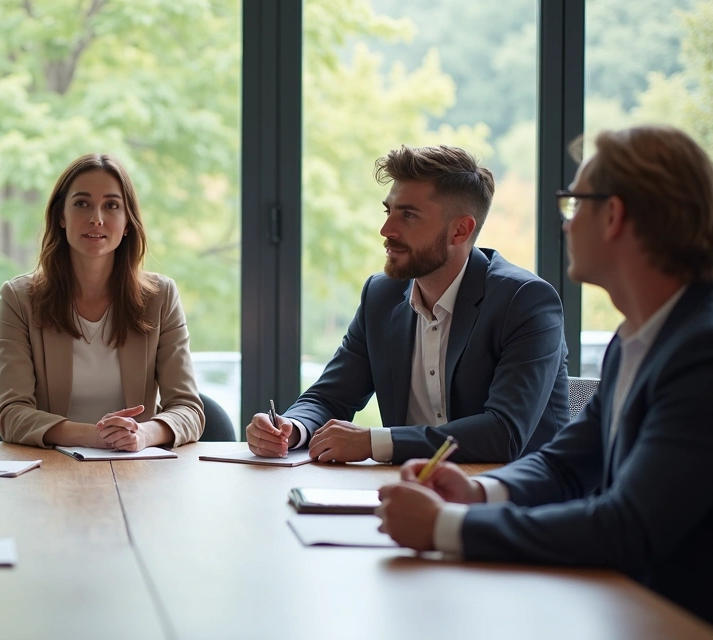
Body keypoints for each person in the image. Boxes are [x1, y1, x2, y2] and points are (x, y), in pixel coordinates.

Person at [376, 126, 713, 624]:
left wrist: (449, 527)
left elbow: (627, 525)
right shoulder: (633, 342)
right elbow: (564, 465)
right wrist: (477, 492)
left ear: (614, 215)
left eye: (574, 205)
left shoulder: (700, 352)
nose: (567, 225)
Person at [246, 144, 569, 464]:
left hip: (516, 499)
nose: (386, 230)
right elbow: (330, 396)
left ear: (460, 230)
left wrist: (375, 442)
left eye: (409, 215)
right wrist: (293, 427)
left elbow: (504, 433)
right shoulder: (381, 295)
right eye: (389, 211)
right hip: (410, 490)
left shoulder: (524, 300)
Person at [0, 153, 204, 449]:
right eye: (82, 203)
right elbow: (12, 414)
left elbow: (188, 409)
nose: (96, 218)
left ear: (128, 222)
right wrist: (96, 436)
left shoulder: (161, 297)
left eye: (111, 205)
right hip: (51, 469)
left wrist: (142, 434)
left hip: (137, 467)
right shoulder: (19, 299)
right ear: (61, 216)